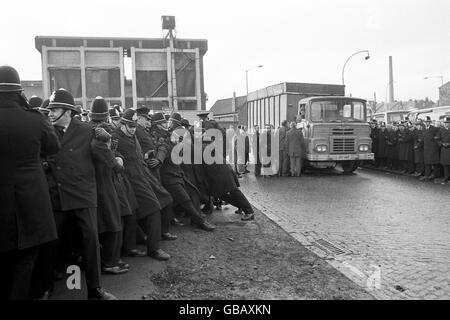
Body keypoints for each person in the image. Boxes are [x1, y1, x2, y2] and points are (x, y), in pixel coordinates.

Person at [46, 88, 116, 300]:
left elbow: (103, 159)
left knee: (91, 240)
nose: (49, 113)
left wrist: (106, 142)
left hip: (83, 194)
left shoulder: (87, 131)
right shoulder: (47, 132)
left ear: (67, 112)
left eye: (54, 109)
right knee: (51, 242)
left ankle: (95, 289)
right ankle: (45, 286)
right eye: (49, 110)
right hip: (57, 195)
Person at [0, 65, 60, 300]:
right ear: (19, 92)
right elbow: (53, 147)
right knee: (26, 257)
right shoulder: (35, 119)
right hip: (31, 203)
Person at [112, 109, 171, 261]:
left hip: (141, 174)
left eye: (134, 126)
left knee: (141, 210)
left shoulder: (133, 135)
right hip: (128, 178)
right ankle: (154, 248)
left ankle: (131, 246)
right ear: (122, 124)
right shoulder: (115, 136)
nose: (132, 130)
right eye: (129, 126)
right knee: (153, 207)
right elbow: (112, 155)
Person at [151, 112, 216, 231]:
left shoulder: (178, 144)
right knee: (185, 200)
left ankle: (191, 218)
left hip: (179, 175)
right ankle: (200, 222)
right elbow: (162, 151)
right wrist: (159, 160)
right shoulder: (166, 144)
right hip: (169, 178)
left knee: (194, 192)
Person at [88, 97, 128, 275]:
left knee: (107, 221)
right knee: (112, 221)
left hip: (96, 181)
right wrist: (119, 162)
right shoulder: (100, 135)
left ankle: (111, 259)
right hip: (104, 181)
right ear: (105, 116)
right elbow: (113, 162)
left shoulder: (88, 130)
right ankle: (109, 262)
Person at [419, 116, 441, 181]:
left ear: (430, 122)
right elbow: (422, 137)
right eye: (425, 122)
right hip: (426, 148)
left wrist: (436, 138)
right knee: (427, 162)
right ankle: (427, 175)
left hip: (433, 148)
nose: (426, 123)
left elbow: (438, 134)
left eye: (428, 122)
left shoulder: (434, 128)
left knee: (434, 162)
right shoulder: (423, 129)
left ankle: (435, 175)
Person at [436, 116, 450, 183]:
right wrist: (442, 144)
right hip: (444, 149)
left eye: (448, 123)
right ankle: (446, 177)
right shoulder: (441, 130)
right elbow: (437, 139)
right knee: (445, 164)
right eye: (445, 123)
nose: (447, 124)